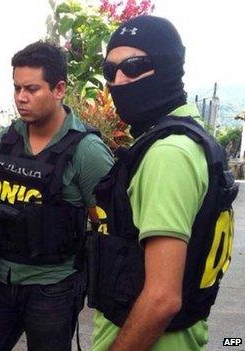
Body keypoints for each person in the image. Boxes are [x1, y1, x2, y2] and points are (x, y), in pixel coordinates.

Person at [87, 15, 237, 351]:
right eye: (110, 71)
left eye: (135, 66)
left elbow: (161, 299)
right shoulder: (191, 135)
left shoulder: (168, 153)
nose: (119, 81)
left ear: (169, 67)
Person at [0, 41, 114, 351]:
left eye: (32, 89)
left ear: (59, 89)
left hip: (53, 288)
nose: (21, 97)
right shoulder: (7, 140)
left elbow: (109, 226)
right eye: (17, 88)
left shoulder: (87, 151)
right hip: (0, 279)